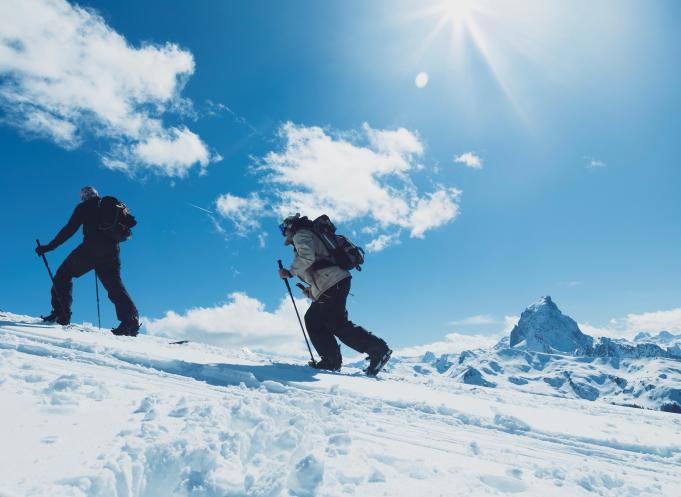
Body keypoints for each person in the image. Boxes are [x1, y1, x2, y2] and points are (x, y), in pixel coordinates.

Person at [278, 214, 392, 375]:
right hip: (331, 284)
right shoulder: (308, 234)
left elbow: (307, 257)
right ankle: (331, 361)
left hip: (332, 283)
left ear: (290, 226)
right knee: (314, 320)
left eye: (283, 228)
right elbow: (317, 266)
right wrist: (312, 291)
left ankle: (378, 350)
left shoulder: (301, 234)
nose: (283, 233)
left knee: (336, 323)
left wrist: (290, 272)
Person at [35, 186, 140, 336]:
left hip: (90, 250)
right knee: (114, 285)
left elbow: (69, 230)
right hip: (112, 251)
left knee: (63, 275)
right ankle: (130, 321)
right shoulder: (108, 206)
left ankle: (61, 313)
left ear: (84, 197)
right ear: (96, 194)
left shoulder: (85, 207)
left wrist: (49, 247)